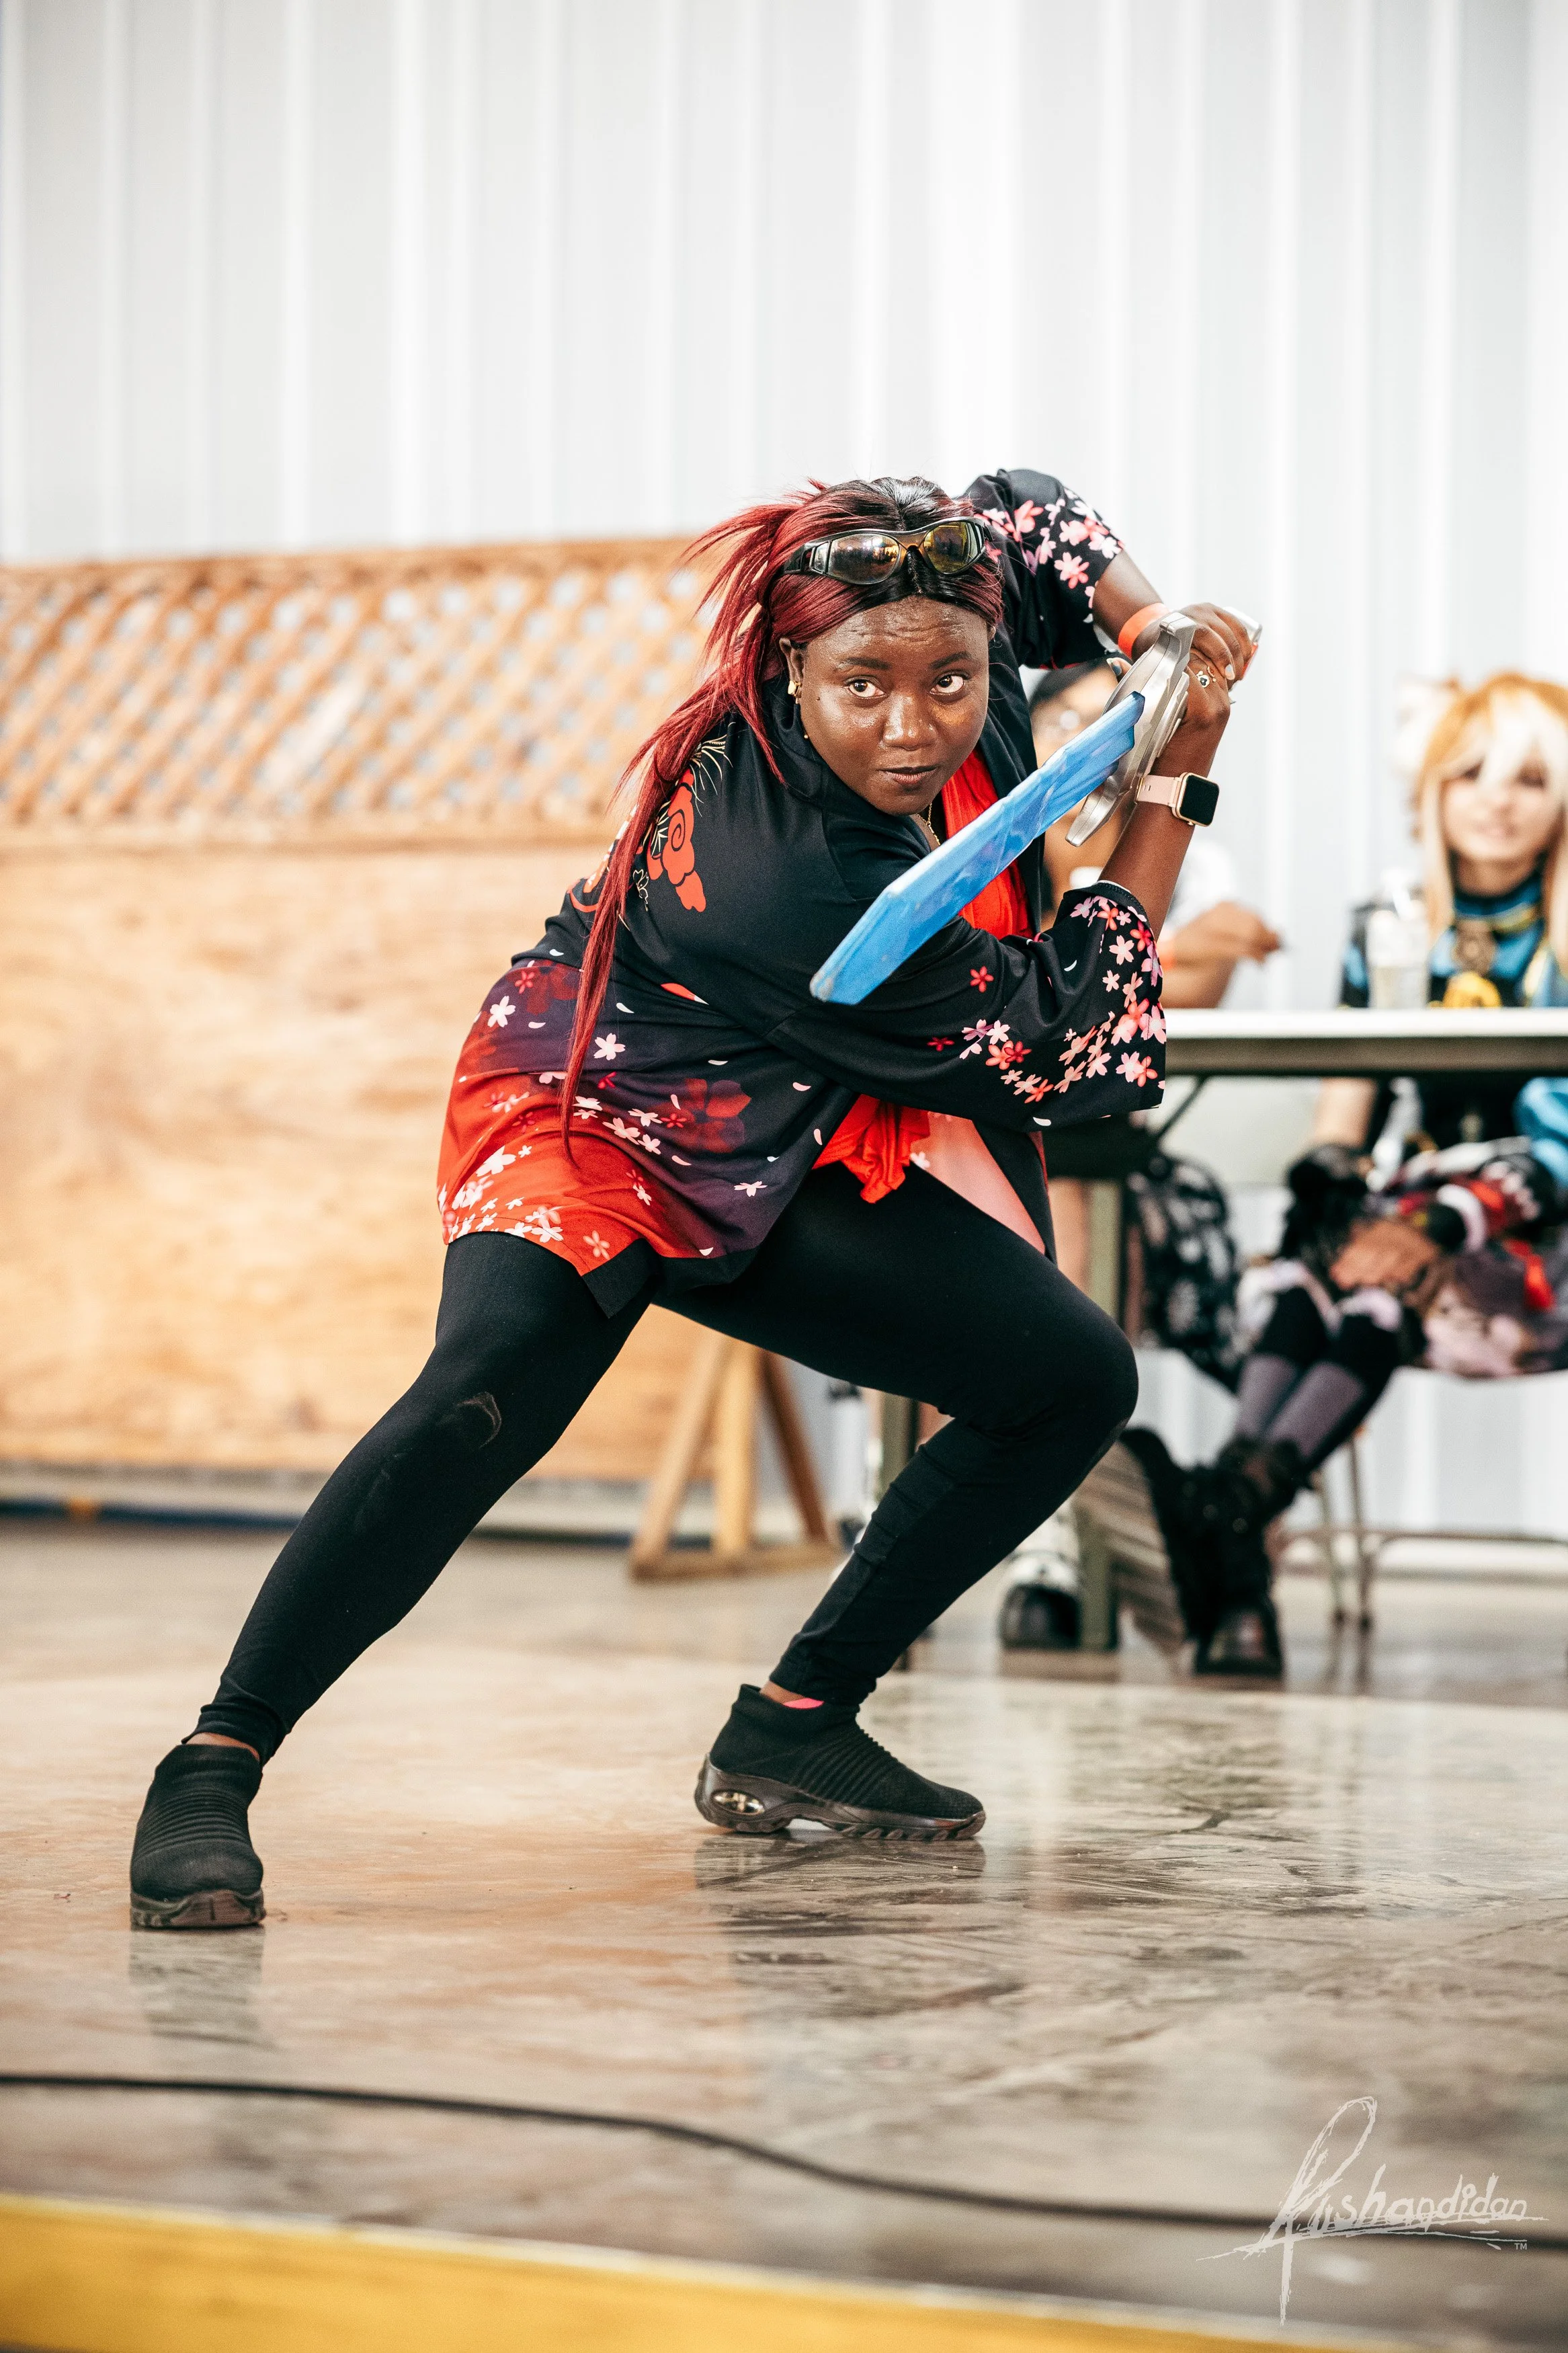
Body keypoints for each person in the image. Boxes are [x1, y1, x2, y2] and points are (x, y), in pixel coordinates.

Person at [129, 467, 1255, 1927]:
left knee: (1063, 1374)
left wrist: (1146, 624)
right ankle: (213, 1761)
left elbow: (1020, 509)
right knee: (489, 1383)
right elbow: (1066, 1037)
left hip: (781, 1108)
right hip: (592, 1099)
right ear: (788, 668)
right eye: (864, 685)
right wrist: (1173, 774)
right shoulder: (786, 874)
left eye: (950, 679)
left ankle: (794, 1720)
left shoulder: (929, 615)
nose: (912, 727)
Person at [1078, 670, 1568, 1680]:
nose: (1497, 799)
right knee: (1298, 1283)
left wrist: (1436, 1225)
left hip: (1538, 1248)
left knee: (1375, 1284)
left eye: (1529, 779)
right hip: (1415, 1225)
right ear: (1431, 789)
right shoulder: (1390, 920)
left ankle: (1227, 1529)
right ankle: (1237, 1549)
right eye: (1471, 772)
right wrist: (1329, 1197)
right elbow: (1349, 1107)